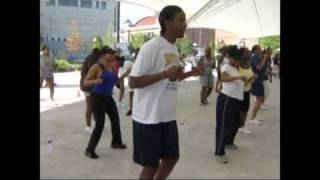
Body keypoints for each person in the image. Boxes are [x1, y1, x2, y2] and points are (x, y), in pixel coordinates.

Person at [129, 5, 203, 179]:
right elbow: (133, 81)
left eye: (185, 20)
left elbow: (172, 78)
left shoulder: (174, 49)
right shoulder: (151, 47)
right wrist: (163, 74)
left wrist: (190, 73)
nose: (185, 24)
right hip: (148, 117)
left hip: (167, 115)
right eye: (181, 20)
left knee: (171, 158)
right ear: (167, 23)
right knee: (150, 166)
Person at [84, 47, 127, 159]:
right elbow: (85, 82)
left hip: (108, 98)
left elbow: (114, 81)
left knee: (115, 119)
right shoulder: (97, 67)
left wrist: (122, 78)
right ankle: (89, 149)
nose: (113, 55)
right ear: (103, 55)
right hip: (97, 98)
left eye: (114, 53)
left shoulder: (112, 67)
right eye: (111, 53)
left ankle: (116, 142)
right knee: (100, 124)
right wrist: (95, 81)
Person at [215, 45, 246, 164]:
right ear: (231, 58)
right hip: (226, 99)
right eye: (236, 60)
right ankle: (219, 152)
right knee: (223, 126)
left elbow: (238, 83)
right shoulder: (226, 66)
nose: (238, 62)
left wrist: (246, 79)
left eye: (239, 60)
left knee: (235, 123)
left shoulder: (236, 68)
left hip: (236, 99)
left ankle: (228, 142)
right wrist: (238, 77)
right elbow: (223, 78)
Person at [80, 48, 101, 133]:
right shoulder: (92, 58)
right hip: (87, 86)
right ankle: (88, 126)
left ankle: (94, 122)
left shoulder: (91, 57)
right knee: (89, 106)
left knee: (93, 105)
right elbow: (92, 69)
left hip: (90, 85)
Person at [249, 45, 271, 125]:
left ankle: (253, 117)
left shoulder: (257, 57)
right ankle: (252, 118)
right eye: (259, 49)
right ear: (255, 50)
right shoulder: (254, 57)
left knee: (261, 99)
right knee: (259, 99)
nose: (261, 50)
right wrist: (265, 58)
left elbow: (262, 68)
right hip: (257, 80)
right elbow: (258, 67)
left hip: (259, 79)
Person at [238, 47, 256, 134]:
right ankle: (240, 126)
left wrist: (252, 80)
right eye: (246, 53)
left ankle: (242, 125)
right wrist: (250, 79)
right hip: (239, 92)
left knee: (245, 109)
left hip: (247, 91)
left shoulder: (248, 64)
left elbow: (250, 76)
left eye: (249, 52)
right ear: (241, 55)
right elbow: (238, 83)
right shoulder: (238, 66)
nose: (249, 54)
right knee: (240, 110)